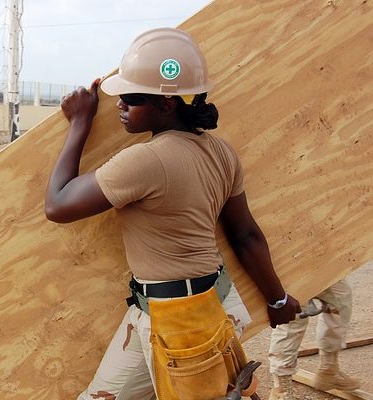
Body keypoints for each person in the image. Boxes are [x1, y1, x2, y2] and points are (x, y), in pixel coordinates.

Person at [45, 27, 301, 399]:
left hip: (181, 323)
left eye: (130, 98)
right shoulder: (221, 152)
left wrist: (80, 123)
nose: (119, 105)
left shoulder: (145, 160)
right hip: (185, 308)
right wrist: (276, 299)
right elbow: (245, 235)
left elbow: (58, 205)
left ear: (166, 105)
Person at [268, 280, 360, 399]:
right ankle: (281, 390)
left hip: (324, 265)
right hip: (294, 268)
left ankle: (329, 370)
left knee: (340, 298)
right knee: (293, 318)